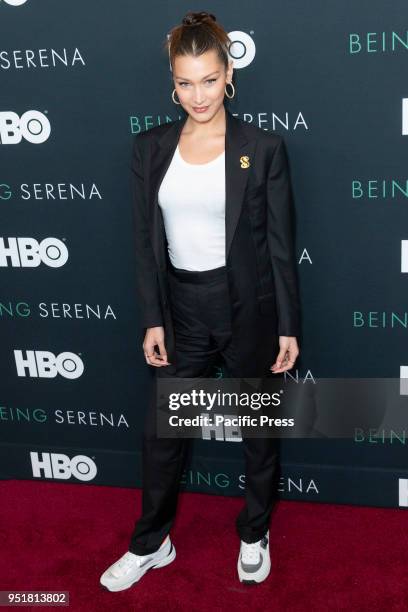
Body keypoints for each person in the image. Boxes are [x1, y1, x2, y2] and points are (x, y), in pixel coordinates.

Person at [100, 10, 301, 591]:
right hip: (182, 310)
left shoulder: (261, 148)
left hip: (249, 309)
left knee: (258, 430)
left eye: (209, 79)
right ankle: (151, 543)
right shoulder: (150, 148)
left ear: (228, 72)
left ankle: (254, 532)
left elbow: (283, 249)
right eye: (185, 82)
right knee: (161, 435)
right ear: (172, 82)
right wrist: (152, 318)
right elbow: (144, 243)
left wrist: (288, 324)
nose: (198, 94)